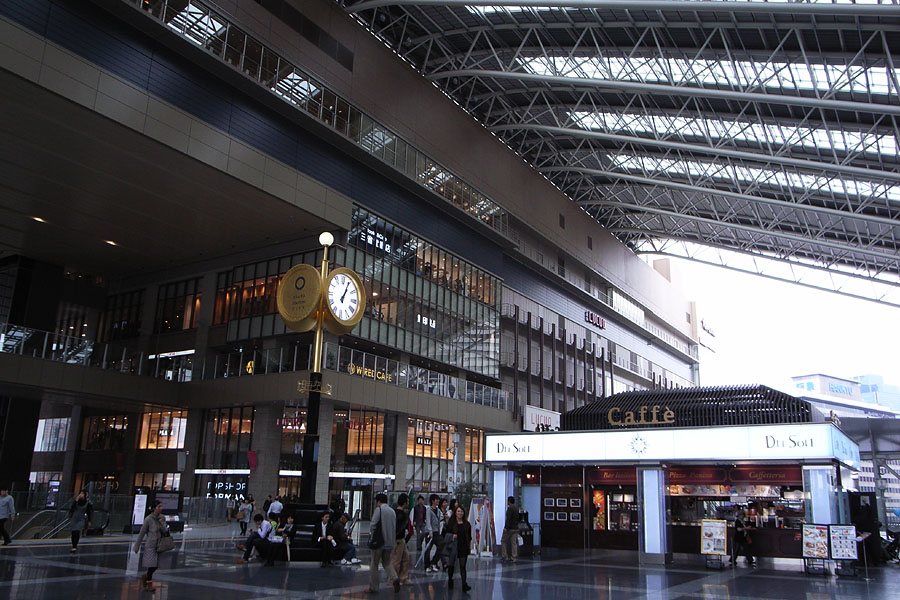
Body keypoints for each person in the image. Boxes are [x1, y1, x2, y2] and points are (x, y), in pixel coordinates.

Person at [366, 492, 400, 594]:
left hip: (379, 542)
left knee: (374, 564)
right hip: (390, 542)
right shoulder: (392, 511)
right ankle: (395, 578)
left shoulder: (379, 510)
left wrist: (371, 536)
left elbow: (373, 525)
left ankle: (374, 587)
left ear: (379, 502)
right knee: (387, 563)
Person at [132, 500, 169, 591]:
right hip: (151, 544)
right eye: (159, 506)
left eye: (161, 506)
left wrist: (162, 524)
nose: (160, 508)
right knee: (152, 564)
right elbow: (142, 532)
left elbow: (165, 531)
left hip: (159, 544)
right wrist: (137, 546)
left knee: (156, 565)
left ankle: (146, 576)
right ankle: (149, 583)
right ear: (154, 508)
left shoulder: (162, 518)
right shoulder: (148, 519)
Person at [446, 505, 472, 592]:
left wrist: (469, 547)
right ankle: (450, 579)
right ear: (455, 513)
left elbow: (469, 537)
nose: (460, 513)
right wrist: (452, 536)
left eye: (461, 511)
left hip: (463, 547)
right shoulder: (451, 523)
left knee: (463, 566)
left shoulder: (467, 524)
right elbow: (446, 535)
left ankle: (464, 584)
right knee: (451, 564)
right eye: (458, 511)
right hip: (453, 546)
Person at [391, 495, 411, 585]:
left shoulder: (399, 513)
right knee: (396, 560)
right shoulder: (398, 514)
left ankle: (404, 578)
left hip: (402, 539)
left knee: (405, 558)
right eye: (407, 501)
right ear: (404, 503)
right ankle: (394, 579)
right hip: (397, 539)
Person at [500, 495, 519, 563]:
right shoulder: (516, 509)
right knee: (514, 543)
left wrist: (505, 527)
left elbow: (508, 519)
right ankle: (514, 557)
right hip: (515, 528)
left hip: (510, 528)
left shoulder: (510, 509)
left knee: (503, 541)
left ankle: (505, 556)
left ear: (509, 501)